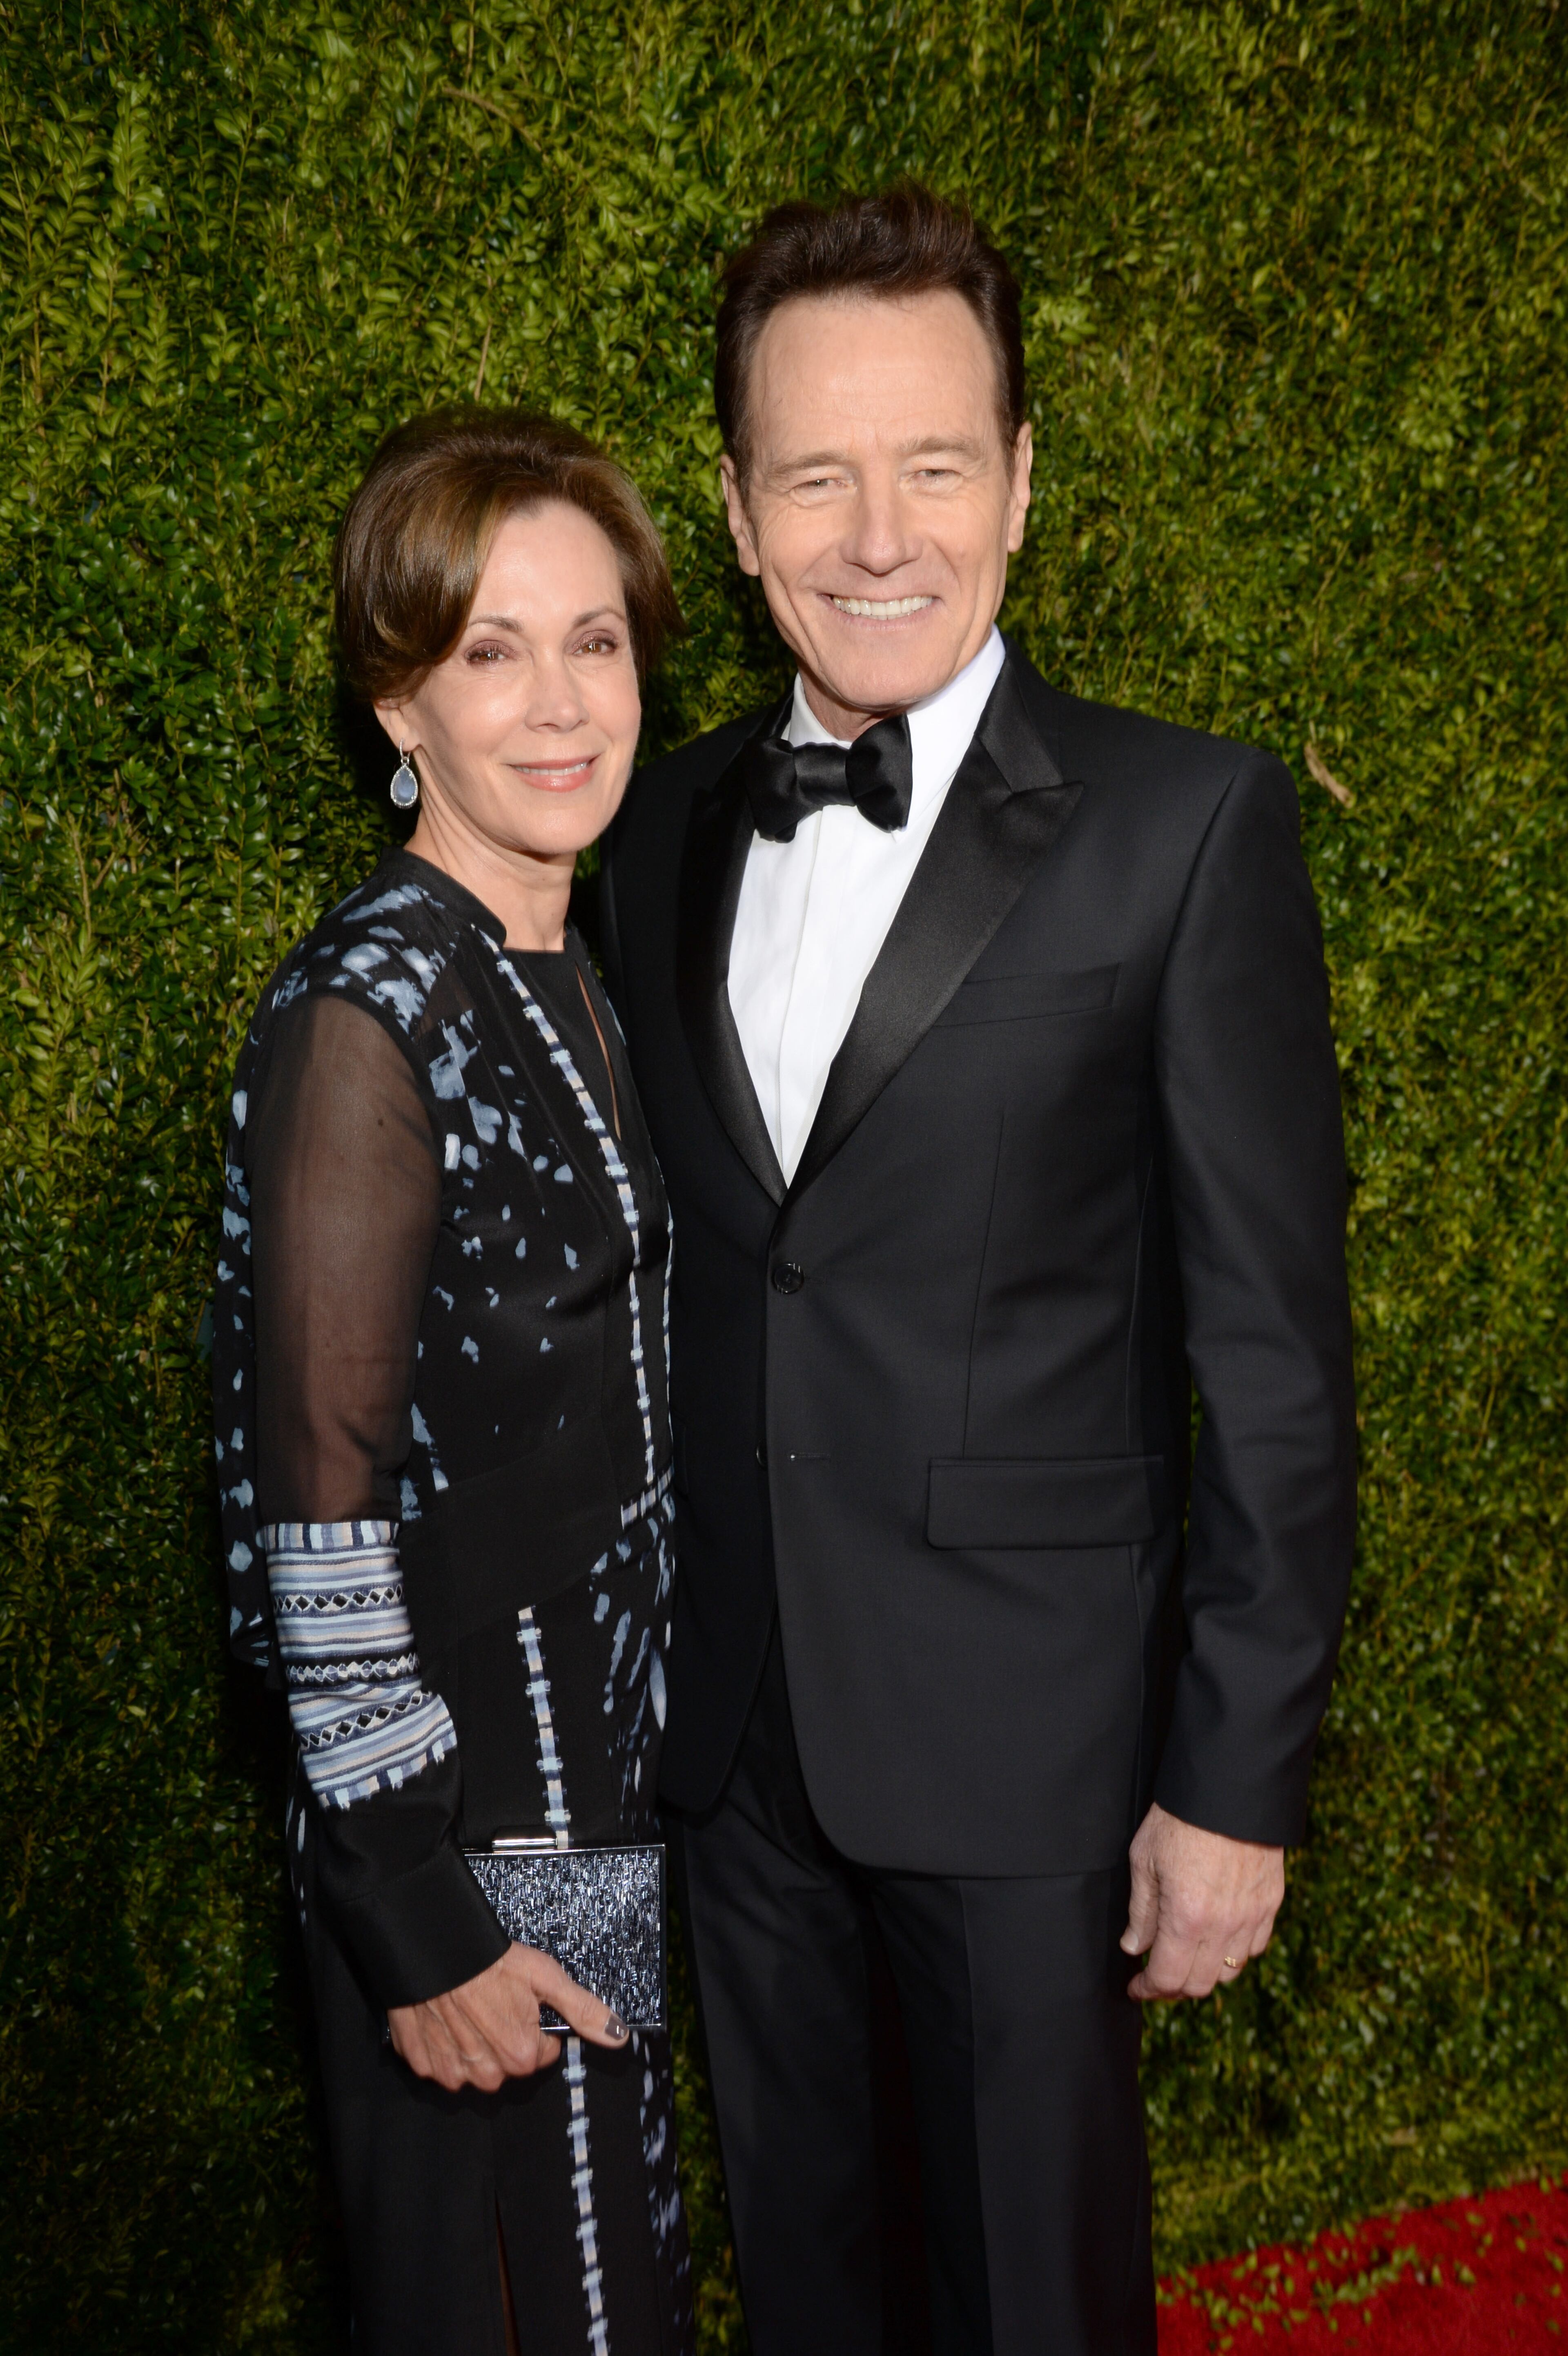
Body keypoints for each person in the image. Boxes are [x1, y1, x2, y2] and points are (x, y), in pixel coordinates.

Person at [600, 187, 1356, 2354]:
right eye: (815, 477)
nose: (878, 536)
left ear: (1021, 481)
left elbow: (1275, 1360)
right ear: (735, 511)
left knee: (1037, 2300)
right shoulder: (650, 827)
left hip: (1038, 1765)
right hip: (734, 1746)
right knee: (807, 2293)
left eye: (934, 464)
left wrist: (1232, 1782)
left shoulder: (1185, 826)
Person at [213, 408, 693, 2356]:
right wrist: (418, 1923)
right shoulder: (370, 1013)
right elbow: (313, 1523)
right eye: (493, 651)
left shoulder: (560, 964)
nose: (560, 703)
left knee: (599, 2289)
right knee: (511, 2300)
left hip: (590, 1799)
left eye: (596, 640)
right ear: (399, 699)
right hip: (470, 1834)